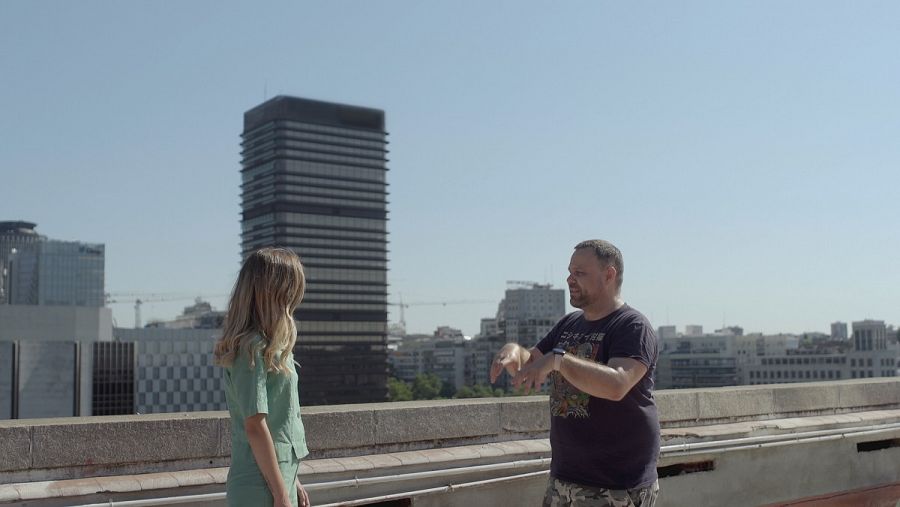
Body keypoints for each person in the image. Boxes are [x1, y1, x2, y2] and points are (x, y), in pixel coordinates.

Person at [490, 240, 660, 507]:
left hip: (615, 484)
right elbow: (532, 362)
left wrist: (560, 360)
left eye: (580, 273)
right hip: (565, 479)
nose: (570, 279)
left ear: (609, 274)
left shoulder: (632, 326)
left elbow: (617, 384)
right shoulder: (569, 324)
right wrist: (514, 352)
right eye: (570, 272)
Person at [213, 247, 311, 507]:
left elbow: (279, 424)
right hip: (259, 488)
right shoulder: (251, 348)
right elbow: (255, 425)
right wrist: (281, 494)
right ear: (277, 292)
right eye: (292, 289)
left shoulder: (270, 347)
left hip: (276, 481)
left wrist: (292, 480)